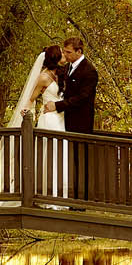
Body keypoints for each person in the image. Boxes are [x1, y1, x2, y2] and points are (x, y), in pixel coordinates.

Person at [9, 44, 68, 200]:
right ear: (55, 57)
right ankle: (48, 195)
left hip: (62, 118)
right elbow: (31, 98)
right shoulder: (44, 77)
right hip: (49, 119)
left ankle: (62, 193)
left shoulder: (63, 73)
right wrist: (27, 112)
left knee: (62, 155)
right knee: (50, 156)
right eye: (62, 53)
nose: (64, 55)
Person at [53, 36, 97, 199]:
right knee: (69, 160)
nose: (65, 55)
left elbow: (82, 98)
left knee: (81, 161)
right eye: (64, 51)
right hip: (66, 121)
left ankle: (81, 199)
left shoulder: (89, 71)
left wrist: (58, 105)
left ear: (79, 52)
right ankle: (69, 195)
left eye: (69, 52)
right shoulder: (68, 67)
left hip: (81, 123)